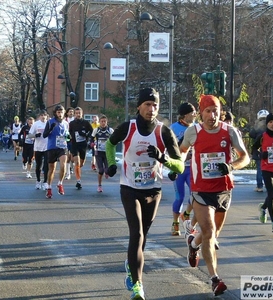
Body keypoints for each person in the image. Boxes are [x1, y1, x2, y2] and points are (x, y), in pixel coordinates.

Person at [105, 87, 184, 300]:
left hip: (153, 190)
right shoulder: (128, 128)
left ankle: (131, 265)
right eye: (148, 104)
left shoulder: (163, 132)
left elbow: (180, 166)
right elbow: (109, 144)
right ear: (139, 106)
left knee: (143, 237)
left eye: (155, 105)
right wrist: (111, 164)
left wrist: (164, 159)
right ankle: (138, 286)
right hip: (129, 188)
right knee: (137, 234)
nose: (151, 109)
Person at [179, 94, 250, 296]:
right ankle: (214, 279)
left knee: (214, 232)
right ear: (201, 113)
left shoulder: (230, 131)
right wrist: (179, 162)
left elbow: (245, 157)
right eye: (208, 111)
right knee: (209, 232)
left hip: (223, 189)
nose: (212, 115)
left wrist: (231, 166)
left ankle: (193, 245)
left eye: (215, 111)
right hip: (201, 190)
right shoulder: (193, 131)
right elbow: (182, 151)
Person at [168, 102, 197, 236]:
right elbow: (167, 147)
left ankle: (186, 214)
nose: (195, 114)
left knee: (195, 195)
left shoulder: (197, 127)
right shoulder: (173, 128)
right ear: (185, 115)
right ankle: (175, 223)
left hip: (193, 167)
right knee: (179, 197)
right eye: (192, 112)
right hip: (179, 168)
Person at [42, 105, 70, 199]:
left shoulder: (66, 123)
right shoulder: (50, 122)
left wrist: (69, 138)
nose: (60, 114)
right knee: (52, 169)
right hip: (52, 147)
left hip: (62, 147)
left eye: (61, 112)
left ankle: (60, 184)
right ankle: (49, 188)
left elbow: (67, 135)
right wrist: (50, 129)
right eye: (58, 112)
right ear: (55, 113)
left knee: (63, 165)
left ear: (64, 113)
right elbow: (44, 135)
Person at [69, 107, 93, 190]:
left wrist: (85, 134)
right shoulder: (72, 123)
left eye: (79, 113)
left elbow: (92, 131)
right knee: (77, 163)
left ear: (82, 113)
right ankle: (78, 181)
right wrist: (69, 138)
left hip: (83, 145)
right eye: (76, 113)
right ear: (74, 114)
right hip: (75, 145)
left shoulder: (86, 122)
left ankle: (75, 168)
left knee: (81, 164)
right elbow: (68, 133)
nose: (78, 114)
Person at [90, 115, 114, 193]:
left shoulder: (110, 130)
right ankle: (99, 186)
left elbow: (115, 139)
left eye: (105, 121)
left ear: (107, 122)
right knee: (101, 170)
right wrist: (92, 143)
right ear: (99, 122)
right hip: (98, 152)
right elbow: (91, 138)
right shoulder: (96, 130)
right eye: (102, 121)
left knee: (107, 170)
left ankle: (107, 172)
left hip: (107, 153)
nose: (103, 123)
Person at [249, 109, 269, 192]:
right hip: (268, 150)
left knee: (259, 169)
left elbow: (251, 134)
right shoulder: (269, 125)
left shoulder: (257, 126)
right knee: (269, 169)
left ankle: (259, 186)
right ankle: (269, 185)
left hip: (258, 150)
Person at [28, 110, 49, 190]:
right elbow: (29, 135)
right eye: (41, 115)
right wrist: (35, 135)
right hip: (38, 147)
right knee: (38, 165)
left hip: (47, 147)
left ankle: (45, 182)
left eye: (44, 115)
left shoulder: (49, 123)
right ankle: (38, 180)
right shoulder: (36, 124)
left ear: (47, 116)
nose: (43, 116)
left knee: (46, 165)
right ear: (39, 116)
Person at [64, 107, 75, 180]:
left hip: (74, 139)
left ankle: (71, 167)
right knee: (67, 157)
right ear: (67, 113)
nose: (71, 113)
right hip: (67, 139)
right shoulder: (64, 120)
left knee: (73, 158)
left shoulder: (75, 119)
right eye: (70, 111)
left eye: (72, 111)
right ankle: (68, 174)